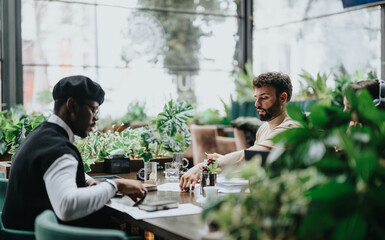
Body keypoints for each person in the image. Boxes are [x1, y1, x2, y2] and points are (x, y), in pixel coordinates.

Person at [2, 75, 147, 231]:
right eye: (93, 109)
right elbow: (67, 206)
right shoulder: (59, 149)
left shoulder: (41, 135)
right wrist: (115, 185)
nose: (96, 118)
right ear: (72, 105)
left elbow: (56, 171)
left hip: (20, 231)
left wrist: (89, 181)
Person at [180, 72, 301, 191]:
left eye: (264, 98)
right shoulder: (264, 128)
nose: (257, 104)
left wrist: (205, 166)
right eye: (256, 98)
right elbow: (257, 165)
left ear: (282, 98)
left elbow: (251, 155)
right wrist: (225, 160)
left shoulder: (291, 127)